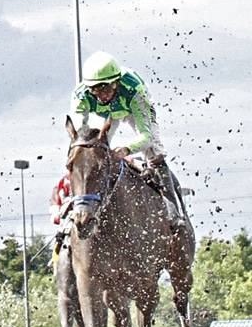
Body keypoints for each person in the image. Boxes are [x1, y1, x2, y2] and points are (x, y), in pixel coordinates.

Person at [69, 51, 188, 231]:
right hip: (110, 115)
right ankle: (79, 204)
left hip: (132, 109)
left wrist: (127, 149)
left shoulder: (134, 91)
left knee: (154, 152)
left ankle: (172, 209)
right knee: (90, 152)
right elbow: (79, 134)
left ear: (116, 83)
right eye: (95, 89)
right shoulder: (80, 96)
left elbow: (146, 136)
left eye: (106, 88)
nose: (101, 95)